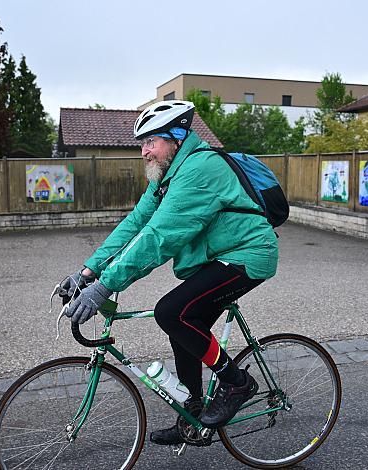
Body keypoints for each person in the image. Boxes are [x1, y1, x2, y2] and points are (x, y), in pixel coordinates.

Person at [59, 100, 278, 445]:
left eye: (151, 142)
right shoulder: (167, 176)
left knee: (171, 312)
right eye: (142, 144)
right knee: (183, 327)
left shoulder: (198, 169)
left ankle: (237, 383)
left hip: (247, 256)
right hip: (217, 257)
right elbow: (136, 224)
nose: (144, 151)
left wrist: (105, 286)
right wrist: (87, 272)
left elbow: (159, 237)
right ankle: (191, 417)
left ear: (177, 138)